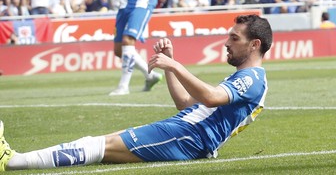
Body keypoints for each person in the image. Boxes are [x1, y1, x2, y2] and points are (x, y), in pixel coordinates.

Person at [0, 14, 272, 171]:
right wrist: (170, 64)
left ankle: (13, 162)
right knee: (103, 144)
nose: (226, 43)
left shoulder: (252, 78)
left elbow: (211, 97)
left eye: (235, 38)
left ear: (254, 45)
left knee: (101, 145)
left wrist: (175, 65)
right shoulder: (244, 77)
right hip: (185, 129)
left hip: (189, 137)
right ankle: (14, 160)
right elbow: (186, 103)